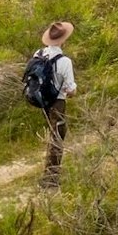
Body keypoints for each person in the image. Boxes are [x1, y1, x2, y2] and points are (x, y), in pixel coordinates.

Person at [29, 21, 78, 187]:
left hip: (42, 100)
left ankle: (50, 173)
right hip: (58, 102)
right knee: (57, 137)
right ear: (63, 40)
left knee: (52, 134)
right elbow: (71, 89)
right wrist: (72, 91)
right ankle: (50, 177)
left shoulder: (39, 53)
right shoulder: (65, 61)